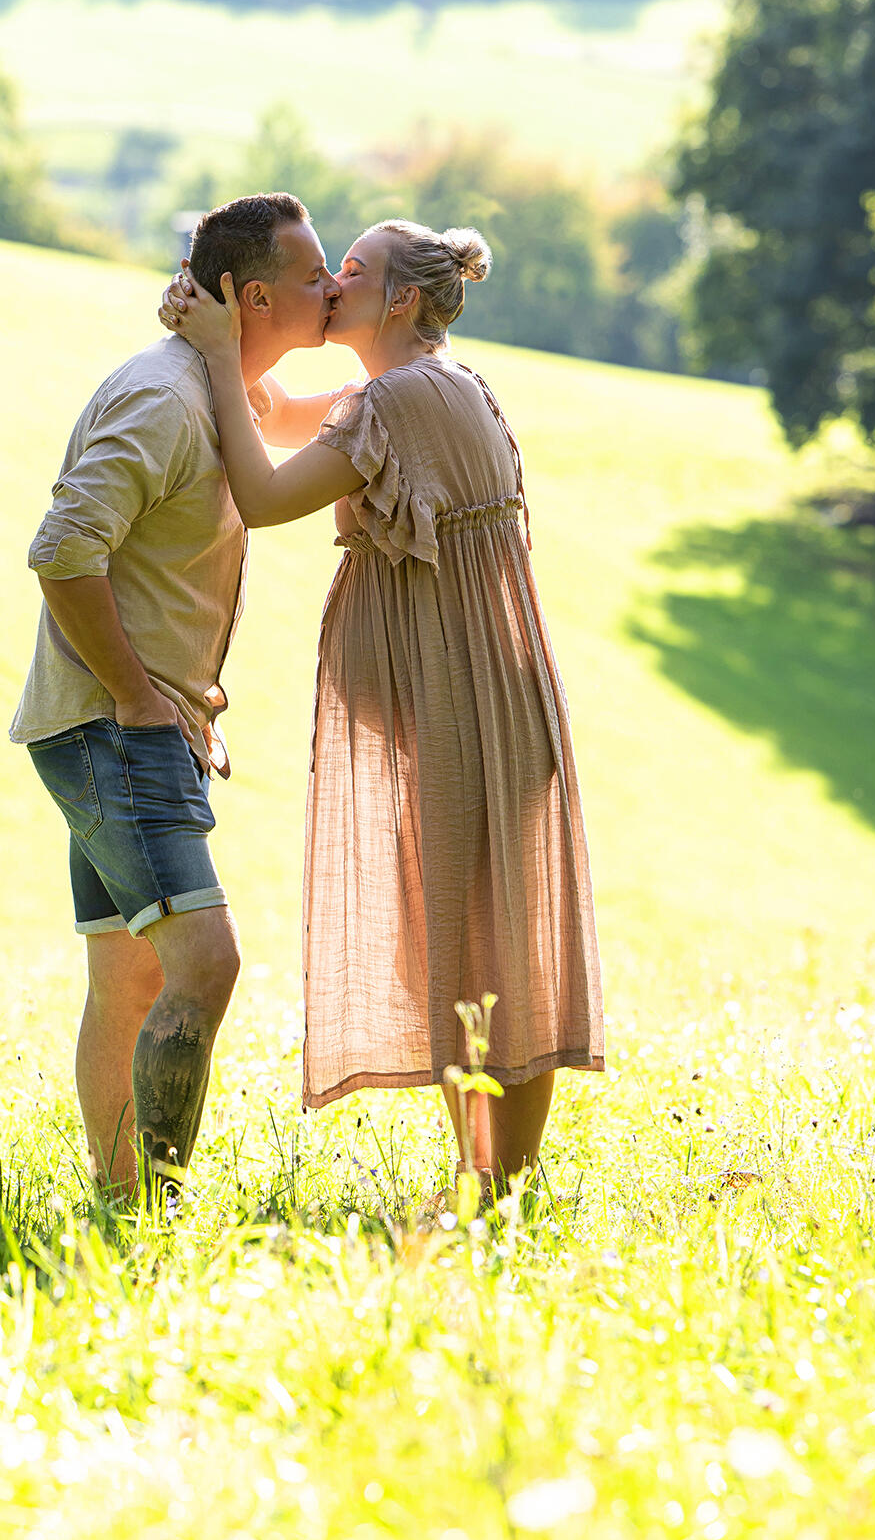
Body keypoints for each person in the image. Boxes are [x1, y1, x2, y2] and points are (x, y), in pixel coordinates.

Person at [160, 219, 604, 1194]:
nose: (330, 281)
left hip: (462, 707)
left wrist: (209, 353)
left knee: (472, 948)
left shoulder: (397, 401)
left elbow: (265, 490)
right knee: (469, 940)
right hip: (477, 700)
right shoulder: (426, 383)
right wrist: (222, 331)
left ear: (398, 299)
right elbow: (272, 411)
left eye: (349, 272)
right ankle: (491, 1182)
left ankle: (497, 1187)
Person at [12, 192, 340, 1204]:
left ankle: (119, 1204)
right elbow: (62, 551)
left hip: (118, 724)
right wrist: (142, 702)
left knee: (130, 977)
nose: (330, 291)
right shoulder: (166, 399)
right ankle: (154, 1210)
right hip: (115, 728)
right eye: (312, 278)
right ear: (250, 297)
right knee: (205, 964)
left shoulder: (215, 388)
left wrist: (420, 371)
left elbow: (311, 419)